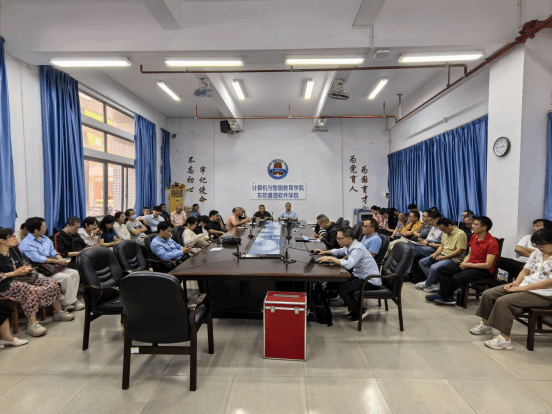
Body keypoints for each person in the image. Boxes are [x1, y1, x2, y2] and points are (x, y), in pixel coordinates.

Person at [470, 228, 552, 350]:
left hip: (544, 293)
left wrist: (521, 288)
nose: (539, 248)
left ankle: (504, 339)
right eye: (537, 245)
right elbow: (526, 270)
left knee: (504, 302)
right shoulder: (536, 253)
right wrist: (516, 283)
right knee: (488, 294)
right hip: (525, 286)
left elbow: (549, 282)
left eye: (542, 245)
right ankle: (486, 324)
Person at [0, 228, 74, 337]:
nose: (16, 238)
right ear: (2, 240)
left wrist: (26, 268)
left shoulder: (15, 250)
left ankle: (58, 313)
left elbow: (25, 263)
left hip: (23, 278)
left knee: (52, 284)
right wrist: (14, 273)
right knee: (30, 290)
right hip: (6, 284)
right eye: (12, 237)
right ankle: (32, 324)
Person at [427, 216, 499, 305]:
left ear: (484, 227)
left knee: (456, 277)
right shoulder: (474, 237)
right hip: (470, 265)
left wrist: (468, 265)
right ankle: (447, 297)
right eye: (473, 224)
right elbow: (469, 254)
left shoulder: (492, 242)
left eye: (475, 224)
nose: (472, 226)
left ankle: (444, 296)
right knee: (442, 270)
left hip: (482, 269)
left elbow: (488, 265)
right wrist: (464, 263)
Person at [315, 227, 381, 322]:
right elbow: (339, 251)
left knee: (343, 290)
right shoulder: (349, 246)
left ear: (349, 238)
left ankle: (360, 311)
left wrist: (331, 258)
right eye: (337, 238)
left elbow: (349, 264)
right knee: (339, 282)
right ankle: (354, 308)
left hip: (370, 279)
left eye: (340, 238)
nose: (337, 240)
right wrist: (324, 252)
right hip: (360, 275)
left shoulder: (357, 248)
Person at [18, 217, 84, 312]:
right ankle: (70, 302)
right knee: (65, 277)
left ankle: (66, 302)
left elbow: (53, 251)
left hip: (49, 267)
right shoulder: (26, 243)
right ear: (36, 230)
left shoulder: (45, 238)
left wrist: (58, 257)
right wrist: (56, 261)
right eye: (44, 227)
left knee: (74, 273)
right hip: (37, 270)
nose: (46, 228)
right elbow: (37, 258)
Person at [416, 218, 468, 292]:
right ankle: (435, 283)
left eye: (444, 229)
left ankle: (427, 284)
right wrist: (435, 254)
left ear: (449, 225)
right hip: (443, 255)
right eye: (441, 230)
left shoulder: (461, 234)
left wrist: (443, 257)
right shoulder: (446, 232)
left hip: (454, 259)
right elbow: (442, 245)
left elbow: (459, 252)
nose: (443, 231)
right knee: (423, 262)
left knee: (434, 267)